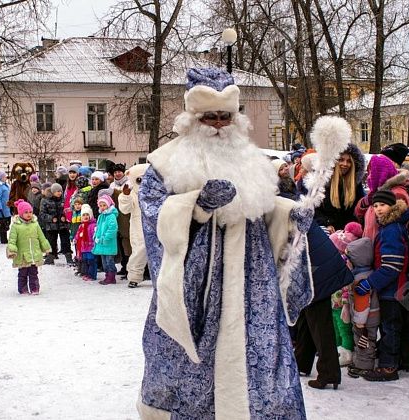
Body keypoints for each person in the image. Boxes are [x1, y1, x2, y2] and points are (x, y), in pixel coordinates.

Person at [136, 68, 327, 418]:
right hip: (198, 291)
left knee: (262, 361)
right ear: (192, 117)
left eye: (226, 116)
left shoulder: (252, 159)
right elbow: (151, 211)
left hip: (254, 288)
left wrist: (289, 216)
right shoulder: (164, 162)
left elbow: (264, 209)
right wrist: (196, 205)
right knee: (190, 367)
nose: (219, 124)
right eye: (211, 116)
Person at [354, 190, 409, 381]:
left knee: (390, 328)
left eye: (382, 205)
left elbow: (391, 266)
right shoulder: (393, 226)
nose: (378, 209)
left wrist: (369, 283)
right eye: (376, 206)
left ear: (392, 206)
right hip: (398, 286)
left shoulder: (391, 229)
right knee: (400, 326)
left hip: (392, 289)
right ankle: (405, 360)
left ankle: (388, 367)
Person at [328, 222, 363, 366]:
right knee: (336, 327)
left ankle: (347, 352)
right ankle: (337, 350)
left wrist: (345, 300)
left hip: (342, 302)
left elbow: (347, 283)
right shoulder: (335, 260)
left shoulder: (345, 262)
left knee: (344, 328)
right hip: (333, 301)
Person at [344, 237, 379, 378]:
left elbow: (362, 305)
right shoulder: (368, 274)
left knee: (364, 340)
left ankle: (364, 365)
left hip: (365, 319)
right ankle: (361, 362)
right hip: (371, 317)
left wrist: (359, 321)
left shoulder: (360, 280)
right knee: (365, 339)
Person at [314, 144, 365, 233]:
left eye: (349, 161)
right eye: (341, 160)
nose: (345, 164)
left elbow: (358, 212)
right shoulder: (322, 182)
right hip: (327, 233)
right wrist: (326, 223)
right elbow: (314, 209)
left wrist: (350, 228)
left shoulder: (356, 185)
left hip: (349, 234)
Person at [6, 199, 51, 295]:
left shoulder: (35, 224)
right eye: (26, 212)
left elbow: (41, 237)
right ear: (21, 213)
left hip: (34, 254)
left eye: (30, 212)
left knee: (33, 273)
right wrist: (12, 250)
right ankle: (23, 289)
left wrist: (46, 247)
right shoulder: (16, 226)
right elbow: (12, 240)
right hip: (22, 255)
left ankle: (35, 288)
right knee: (23, 273)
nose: (29, 214)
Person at [118, 163, 149, 288]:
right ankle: (134, 277)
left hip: (157, 226)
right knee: (139, 252)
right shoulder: (131, 193)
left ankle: (160, 277)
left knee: (161, 252)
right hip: (138, 226)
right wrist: (125, 196)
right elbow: (125, 209)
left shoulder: (158, 191)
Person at [40, 183, 72, 265]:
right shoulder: (45, 200)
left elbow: (67, 210)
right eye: (57, 191)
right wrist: (51, 218)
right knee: (51, 241)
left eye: (60, 191)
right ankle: (50, 257)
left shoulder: (63, 200)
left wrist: (64, 217)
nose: (59, 193)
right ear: (53, 192)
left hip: (63, 225)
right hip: (51, 226)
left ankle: (69, 257)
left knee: (66, 241)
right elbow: (42, 214)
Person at [92, 194, 118, 285]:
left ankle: (111, 277)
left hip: (108, 243)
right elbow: (98, 228)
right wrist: (96, 236)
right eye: (101, 205)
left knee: (109, 261)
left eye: (104, 205)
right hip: (101, 243)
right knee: (104, 262)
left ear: (109, 205)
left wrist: (105, 238)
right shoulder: (101, 216)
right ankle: (107, 276)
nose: (102, 207)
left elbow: (112, 229)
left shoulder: (111, 216)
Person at [74, 204, 97, 281]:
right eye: (83, 215)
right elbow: (78, 234)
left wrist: (93, 241)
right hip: (83, 247)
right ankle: (87, 273)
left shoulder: (93, 225)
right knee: (86, 261)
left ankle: (92, 275)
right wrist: (76, 238)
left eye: (87, 215)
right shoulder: (81, 226)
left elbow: (94, 235)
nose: (85, 216)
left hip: (90, 247)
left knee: (91, 261)